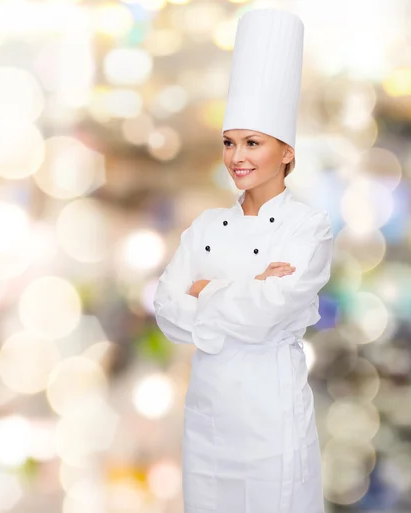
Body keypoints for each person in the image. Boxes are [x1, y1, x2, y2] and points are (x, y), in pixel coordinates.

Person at [153, 8, 333, 513]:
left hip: (270, 416)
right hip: (208, 418)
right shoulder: (206, 225)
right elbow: (166, 309)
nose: (237, 157)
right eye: (229, 143)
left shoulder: (308, 227)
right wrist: (249, 286)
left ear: (287, 153)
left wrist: (204, 290)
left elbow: (271, 311)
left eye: (253, 143)